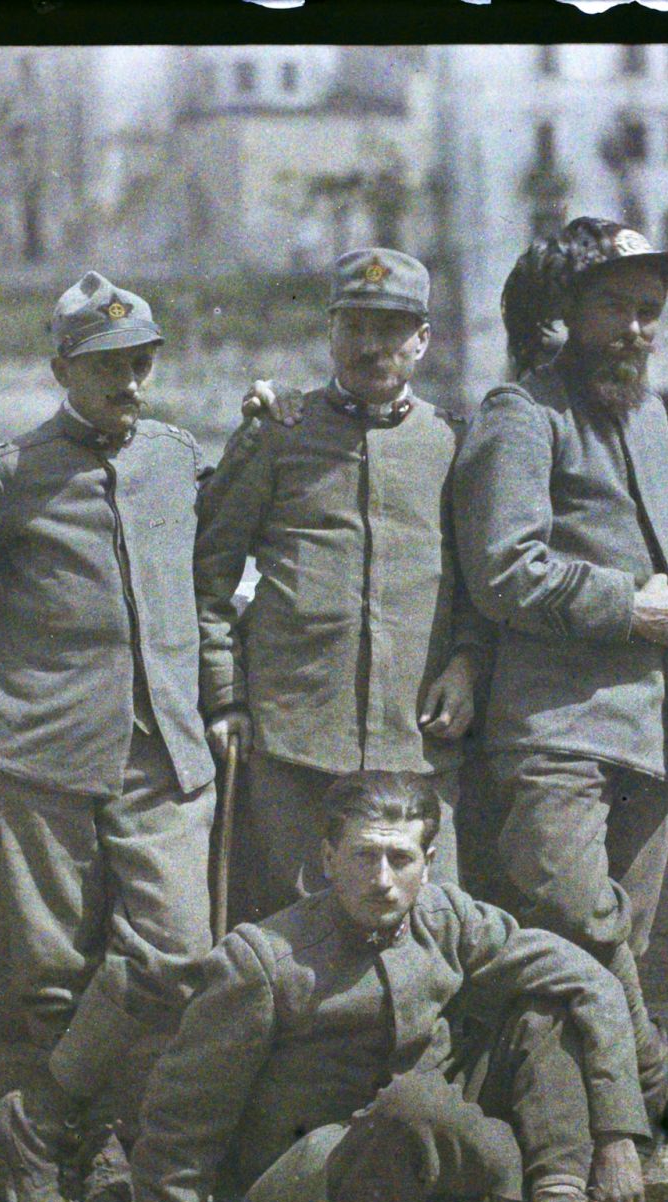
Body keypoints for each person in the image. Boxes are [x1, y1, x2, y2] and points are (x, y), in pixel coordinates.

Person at [61, 771, 668, 1202]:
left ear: (428, 864)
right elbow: (187, 1110)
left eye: (400, 858)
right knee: (414, 1104)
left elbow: (590, 980)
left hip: (423, 1165)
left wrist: (619, 1138)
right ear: (328, 859)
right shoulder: (264, 960)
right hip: (317, 1200)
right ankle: (548, 1197)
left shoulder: (448, 916)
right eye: (362, 855)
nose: (381, 879)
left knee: (542, 1009)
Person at [448, 217, 668, 1202]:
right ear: (566, 311)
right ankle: (634, 1106)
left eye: (649, 310)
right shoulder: (520, 414)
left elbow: (658, 551)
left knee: (617, 939)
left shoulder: (643, 416)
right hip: (554, 728)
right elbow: (504, 569)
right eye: (615, 305)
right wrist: (628, 606)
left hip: (656, 727)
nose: (636, 329)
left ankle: (601, 1156)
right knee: (584, 936)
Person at [0, 272, 218, 1202]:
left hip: (164, 746)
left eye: (141, 362)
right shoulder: (7, 470)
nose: (129, 382)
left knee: (173, 948)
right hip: (41, 750)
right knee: (56, 970)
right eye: (107, 365)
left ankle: (26, 1119)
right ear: (60, 367)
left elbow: (207, 583)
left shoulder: (178, 458)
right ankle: (94, 1148)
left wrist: (212, 694)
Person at [195, 249, 487, 916]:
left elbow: (479, 581)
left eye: (390, 329)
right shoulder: (278, 433)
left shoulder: (451, 443)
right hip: (296, 740)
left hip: (414, 740)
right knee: (298, 933)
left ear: (422, 340)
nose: (369, 346)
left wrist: (468, 663)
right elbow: (208, 579)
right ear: (329, 331)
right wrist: (227, 697)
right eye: (353, 326)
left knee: (431, 931)